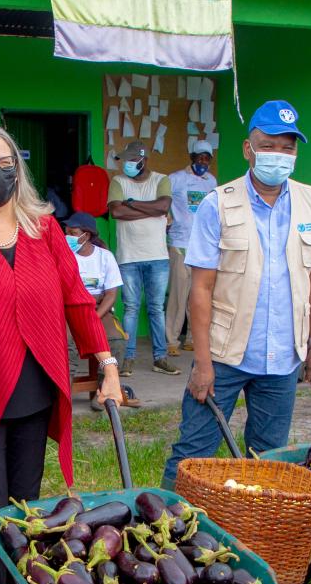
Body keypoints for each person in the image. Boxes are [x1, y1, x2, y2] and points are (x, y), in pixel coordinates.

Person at [0, 123, 123, 584]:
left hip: (35, 387)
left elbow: (77, 300)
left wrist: (108, 362)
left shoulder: (45, 229)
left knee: (26, 504)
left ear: (18, 170)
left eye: (5, 164)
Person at [162, 100, 311, 489]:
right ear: (248, 149)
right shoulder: (217, 204)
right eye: (269, 145)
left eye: (288, 148)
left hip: (284, 357)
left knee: (268, 460)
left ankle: (252, 532)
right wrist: (202, 363)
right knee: (193, 453)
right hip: (225, 355)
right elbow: (200, 289)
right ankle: (163, 532)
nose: (279, 155)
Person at [107, 139, 177, 376]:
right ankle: (128, 358)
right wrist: (151, 208)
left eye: (132, 160)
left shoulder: (161, 180)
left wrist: (132, 204)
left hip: (157, 256)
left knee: (157, 308)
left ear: (144, 159)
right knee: (131, 308)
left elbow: (164, 207)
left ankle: (161, 358)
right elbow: (116, 211)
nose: (126, 164)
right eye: (125, 160)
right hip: (128, 256)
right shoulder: (118, 181)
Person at [63, 211, 136, 409]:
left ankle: (103, 391)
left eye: (72, 232)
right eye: (66, 231)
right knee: (65, 343)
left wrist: (93, 318)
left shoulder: (105, 257)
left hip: (98, 311)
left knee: (117, 340)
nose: (67, 235)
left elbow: (111, 295)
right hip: (67, 310)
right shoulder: (63, 256)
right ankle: (63, 396)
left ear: (85, 235)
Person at [166, 140, 217, 355]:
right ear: (192, 157)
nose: (203, 162)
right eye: (199, 157)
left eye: (207, 158)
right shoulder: (176, 179)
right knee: (178, 296)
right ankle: (171, 341)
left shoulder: (211, 181)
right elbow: (162, 203)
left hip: (202, 247)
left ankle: (192, 338)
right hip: (180, 245)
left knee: (196, 297)